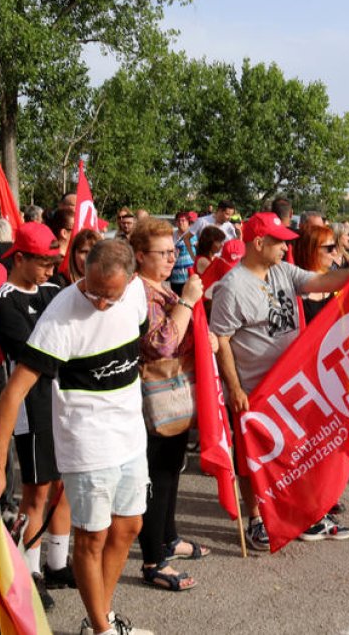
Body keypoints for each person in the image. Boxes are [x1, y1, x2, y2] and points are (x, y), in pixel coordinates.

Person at [0, 239, 152, 635]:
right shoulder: (60, 317)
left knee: (129, 526)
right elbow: (14, 391)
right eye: (91, 288)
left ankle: (102, 617)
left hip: (131, 435)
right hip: (88, 443)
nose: (97, 301)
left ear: (131, 280)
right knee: (93, 536)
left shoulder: (136, 295)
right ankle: (101, 629)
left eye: (108, 295)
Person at [210, 213, 349, 548]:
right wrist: (234, 387)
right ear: (258, 243)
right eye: (278, 241)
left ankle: (306, 513)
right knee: (252, 458)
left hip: (292, 381)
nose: (286, 247)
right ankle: (257, 519)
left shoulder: (283, 271)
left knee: (301, 450)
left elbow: (321, 282)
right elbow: (223, 340)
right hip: (256, 389)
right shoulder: (231, 288)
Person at [0, 222, 71, 609]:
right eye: (43, 263)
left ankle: (57, 562)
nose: (51, 270)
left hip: (66, 397)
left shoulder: (56, 289)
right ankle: (30, 569)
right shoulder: (4, 300)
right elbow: (38, 356)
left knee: (64, 483)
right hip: (30, 402)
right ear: (19, 258)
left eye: (55, 262)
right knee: (37, 490)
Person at [128, 219, 210, 591]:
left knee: (172, 467)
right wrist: (189, 301)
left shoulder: (157, 287)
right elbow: (160, 344)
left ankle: (169, 537)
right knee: (158, 475)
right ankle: (153, 559)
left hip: (174, 389)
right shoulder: (139, 292)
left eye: (172, 252)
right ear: (140, 255)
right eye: (162, 253)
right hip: (154, 392)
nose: (170, 258)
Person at [292, 224, 339, 322]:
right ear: (311, 250)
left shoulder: (335, 282)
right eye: (329, 248)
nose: (335, 252)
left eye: (335, 246)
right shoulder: (292, 289)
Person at [170, 212, 196, 295]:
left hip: (190, 276)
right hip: (176, 278)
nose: (181, 222)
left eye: (183, 220)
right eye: (178, 220)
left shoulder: (194, 235)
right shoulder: (171, 236)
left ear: (188, 222)